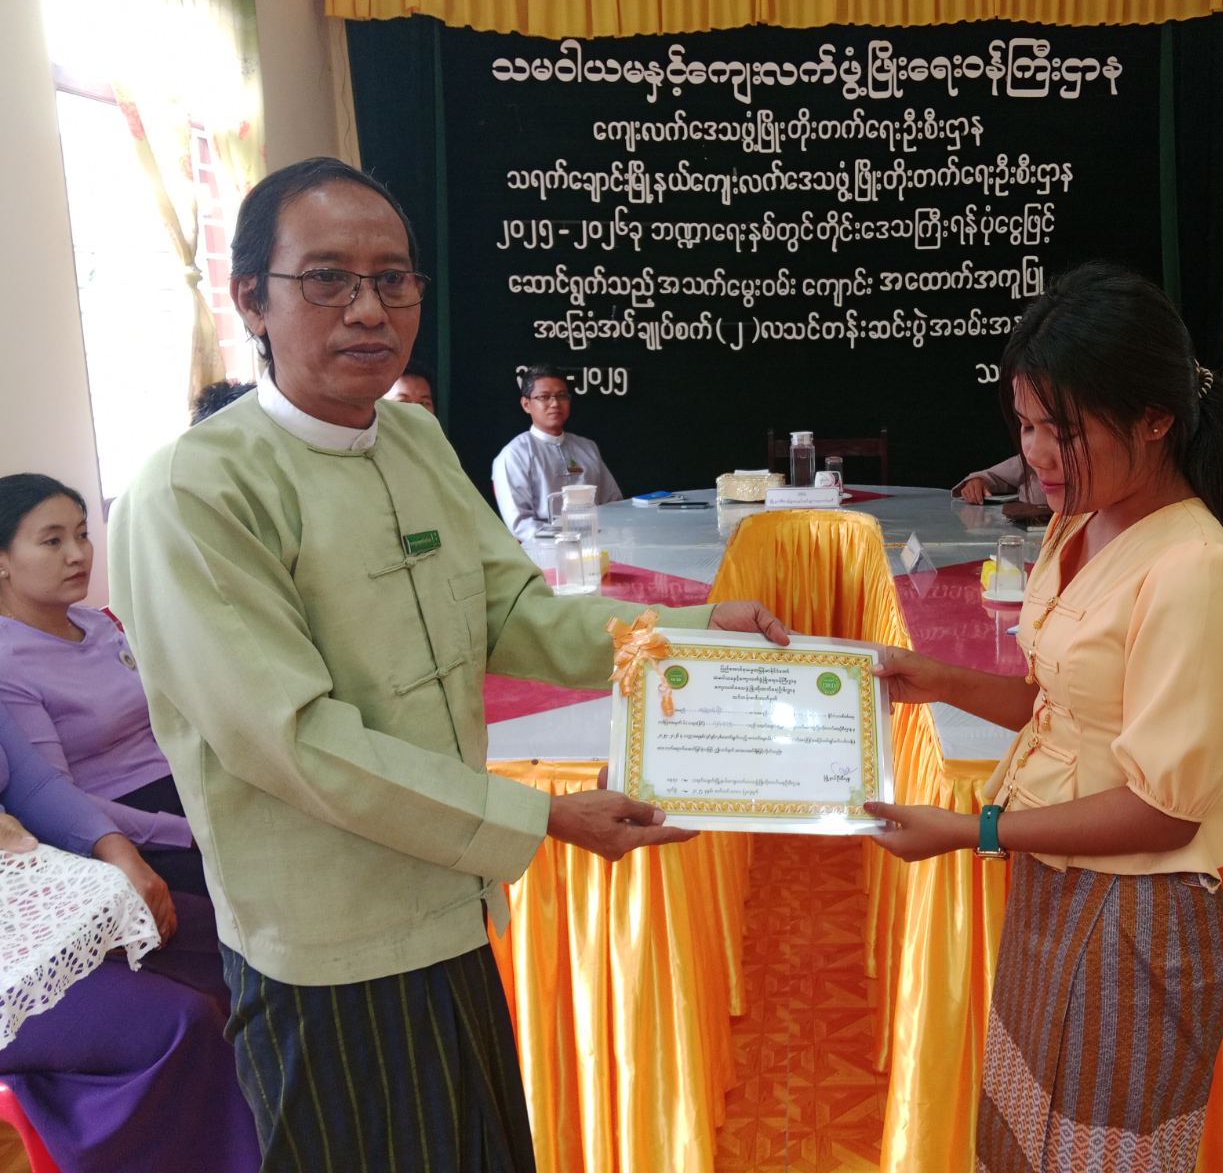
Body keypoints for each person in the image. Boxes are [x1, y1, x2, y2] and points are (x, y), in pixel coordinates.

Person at [106, 155, 786, 1171]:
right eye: (327, 278)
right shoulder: (193, 494)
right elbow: (295, 742)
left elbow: (510, 609)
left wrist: (690, 636)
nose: (368, 309)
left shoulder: (413, 438)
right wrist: (544, 817)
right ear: (251, 297)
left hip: (454, 908)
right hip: (331, 946)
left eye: (393, 278)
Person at [865, 263, 1223, 1172]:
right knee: (1024, 1129)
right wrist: (938, 678)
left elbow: (1164, 809)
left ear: (1156, 419)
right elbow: (1063, 709)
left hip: (1139, 909)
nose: (1039, 454)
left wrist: (973, 830)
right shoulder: (1079, 521)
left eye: (1066, 430)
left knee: (1096, 1149)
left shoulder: (1198, 570)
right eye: (1026, 424)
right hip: (1056, 878)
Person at [0, 701, 261, 1173]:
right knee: (176, 1022)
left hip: (36, 913)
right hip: (13, 966)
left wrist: (119, 853)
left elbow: (32, 783)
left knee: (230, 951)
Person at [0, 474, 202, 895]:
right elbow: (50, 795)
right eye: (52, 541)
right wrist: (184, 830)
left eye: (82, 535)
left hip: (186, 783)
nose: (78, 555)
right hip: (125, 823)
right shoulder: (9, 661)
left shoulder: (97, 623)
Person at [491, 364, 623, 542]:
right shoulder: (514, 454)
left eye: (562, 396)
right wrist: (568, 539)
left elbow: (613, 504)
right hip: (543, 548)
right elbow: (520, 525)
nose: (555, 404)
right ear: (526, 404)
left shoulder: (587, 447)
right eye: (544, 397)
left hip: (596, 544)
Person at [953, 454, 1047, 505]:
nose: (1034, 449)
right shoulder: (1028, 459)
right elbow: (995, 476)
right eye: (1029, 428)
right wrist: (978, 481)